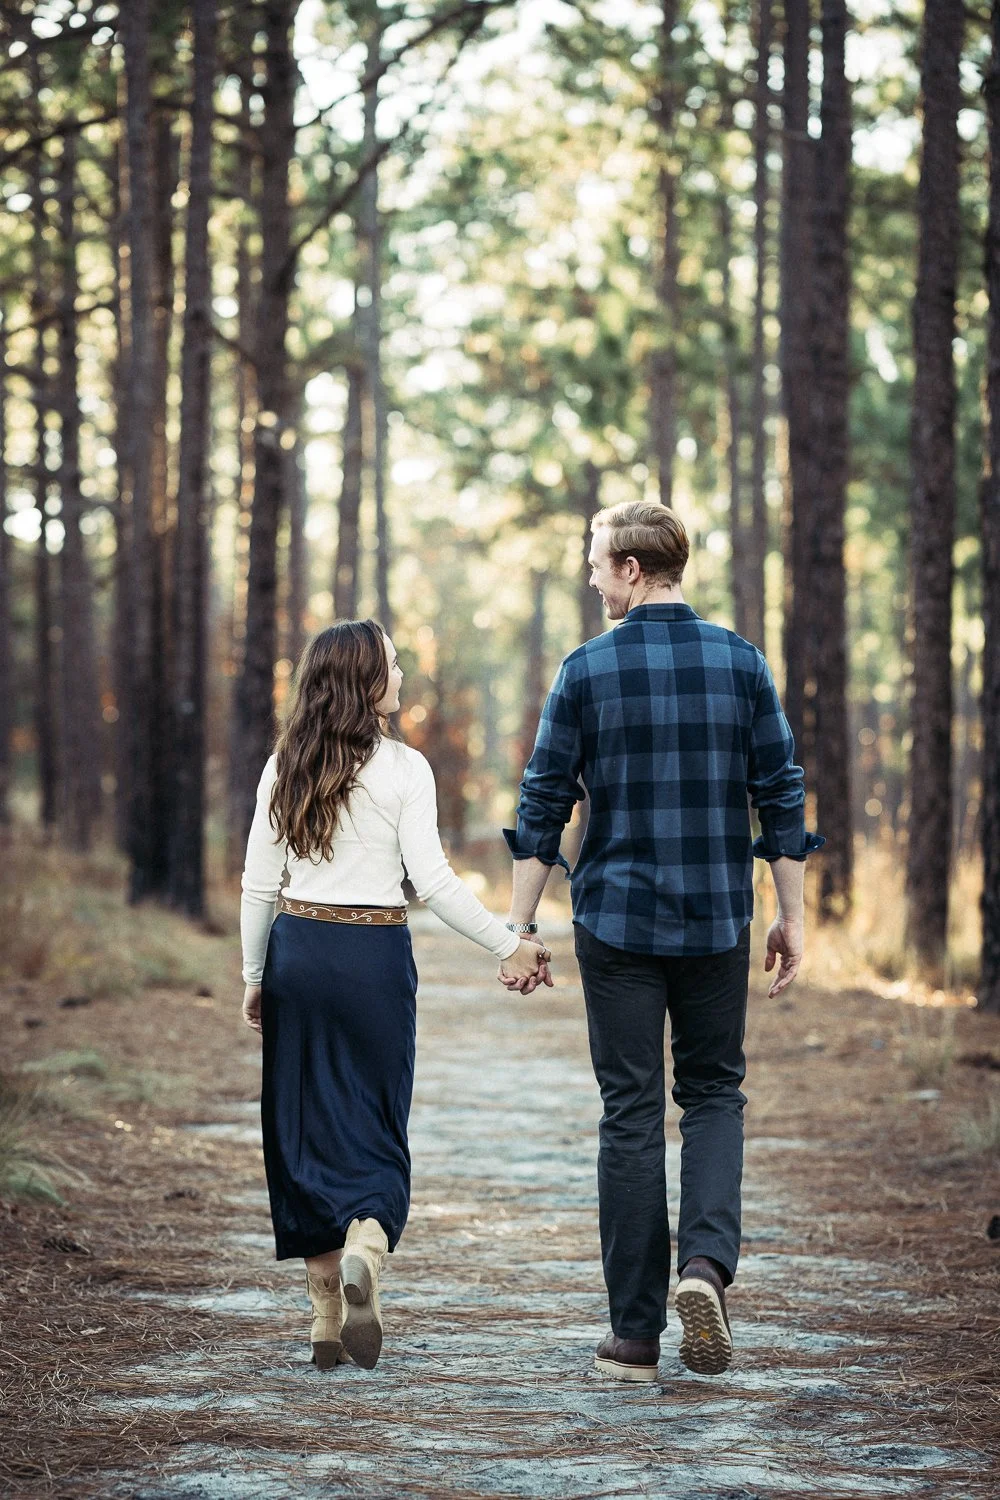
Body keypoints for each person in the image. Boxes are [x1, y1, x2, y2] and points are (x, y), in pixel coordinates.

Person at [500, 500, 824, 1382]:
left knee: (632, 1112)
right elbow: (782, 793)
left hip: (617, 923)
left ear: (632, 570)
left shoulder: (586, 669)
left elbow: (543, 805)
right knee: (715, 1093)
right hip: (718, 917)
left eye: (598, 562)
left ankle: (635, 1337)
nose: (592, 576)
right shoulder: (740, 662)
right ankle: (706, 1271)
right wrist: (791, 914)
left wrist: (521, 927)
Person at [240, 619, 549, 1372]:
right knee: (376, 1117)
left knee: (303, 1128)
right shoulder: (405, 768)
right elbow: (434, 884)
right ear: (363, 680)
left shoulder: (286, 764)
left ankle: (321, 1319)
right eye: (393, 662)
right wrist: (509, 943)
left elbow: (259, 884)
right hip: (374, 953)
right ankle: (367, 1250)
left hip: (300, 951)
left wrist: (254, 976)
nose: (403, 671)